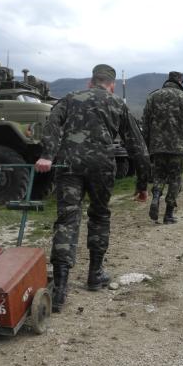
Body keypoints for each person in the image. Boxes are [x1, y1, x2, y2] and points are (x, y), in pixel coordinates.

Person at [35, 64, 150, 313]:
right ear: (111, 84)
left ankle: (61, 287)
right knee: (99, 215)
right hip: (102, 166)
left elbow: (52, 124)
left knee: (67, 219)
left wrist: (47, 155)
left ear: (90, 81)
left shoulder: (69, 98)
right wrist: (142, 184)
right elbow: (137, 146)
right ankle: (95, 275)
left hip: (69, 165)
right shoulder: (117, 103)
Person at [142, 71, 183, 224]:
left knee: (159, 176)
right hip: (177, 147)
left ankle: (155, 197)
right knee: (175, 179)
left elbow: (145, 124)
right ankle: (168, 214)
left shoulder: (153, 96)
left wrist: (146, 146)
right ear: (180, 81)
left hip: (157, 147)